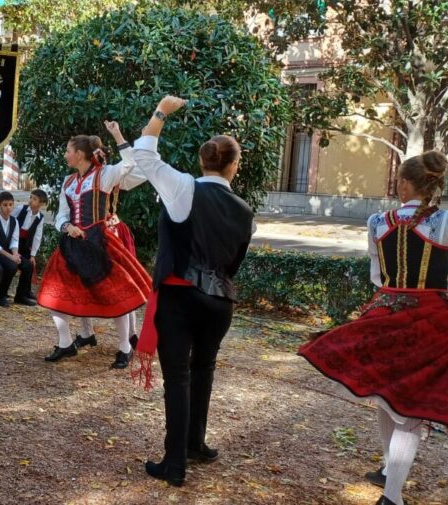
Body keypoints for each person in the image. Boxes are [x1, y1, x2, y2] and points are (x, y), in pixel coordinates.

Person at [298, 146, 448, 505]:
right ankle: (392, 496)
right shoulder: (445, 222)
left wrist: (419, 275)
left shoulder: (377, 222)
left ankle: (388, 474)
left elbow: (380, 277)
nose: (397, 187)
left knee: (386, 397)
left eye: (399, 181)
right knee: (409, 410)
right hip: (430, 321)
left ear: (408, 185)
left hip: (386, 313)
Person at [125, 96, 254, 487]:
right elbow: (234, 262)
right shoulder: (245, 211)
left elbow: (144, 154)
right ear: (233, 165)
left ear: (203, 161)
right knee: (204, 370)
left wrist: (161, 112)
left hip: (180, 298)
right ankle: (195, 443)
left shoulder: (183, 187)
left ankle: (175, 462)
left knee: (178, 378)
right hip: (219, 301)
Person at [37, 121, 151, 369]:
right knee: (53, 293)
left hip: (101, 241)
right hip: (73, 244)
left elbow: (129, 164)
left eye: (68, 150)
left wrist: (117, 133)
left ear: (79, 154)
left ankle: (125, 347)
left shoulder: (104, 174)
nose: (65, 154)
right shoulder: (68, 181)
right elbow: (61, 216)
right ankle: (66, 342)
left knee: (115, 295)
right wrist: (68, 227)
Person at [0, 191, 30, 307]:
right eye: (5, 205)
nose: (8, 208)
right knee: (12, 265)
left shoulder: (14, 221)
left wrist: (16, 254)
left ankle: (21, 296)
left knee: (27, 265)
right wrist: (11, 257)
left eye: (10, 204)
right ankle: (1, 295)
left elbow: (14, 240)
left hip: (7, 253)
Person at [13, 189, 47, 304]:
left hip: (25, 244)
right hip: (13, 243)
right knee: (26, 265)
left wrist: (33, 255)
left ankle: (26, 291)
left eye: (34, 199)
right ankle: (20, 295)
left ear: (41, 204)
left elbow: (38, 236)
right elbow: (10, 222)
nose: (31, 201)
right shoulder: (20, 209)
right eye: (31, 197)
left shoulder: (40, 218)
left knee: (31, 263)